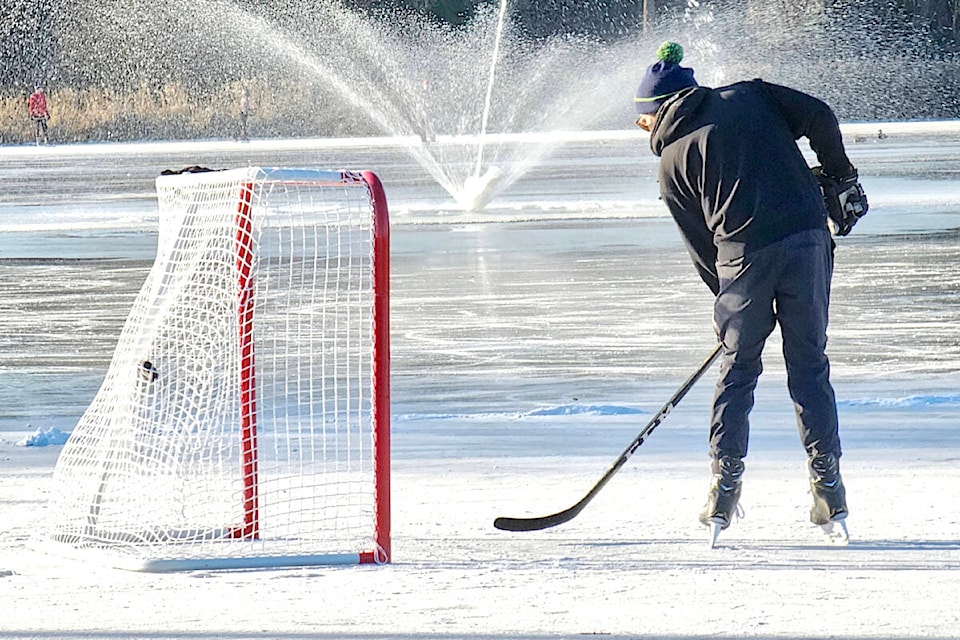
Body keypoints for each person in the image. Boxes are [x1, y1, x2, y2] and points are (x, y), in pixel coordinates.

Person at [633, 42, 868, 544]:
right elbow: (821, 116)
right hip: (807, 239)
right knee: (809, 363)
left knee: (738, 371)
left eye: (642, 118)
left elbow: (702, 248)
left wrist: (727, 306)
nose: (641, 128)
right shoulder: (752, 95)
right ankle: (829, 488)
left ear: (658, 111)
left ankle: (724, 488)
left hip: (744, 259)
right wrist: (842, 176)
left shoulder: (671, 162)